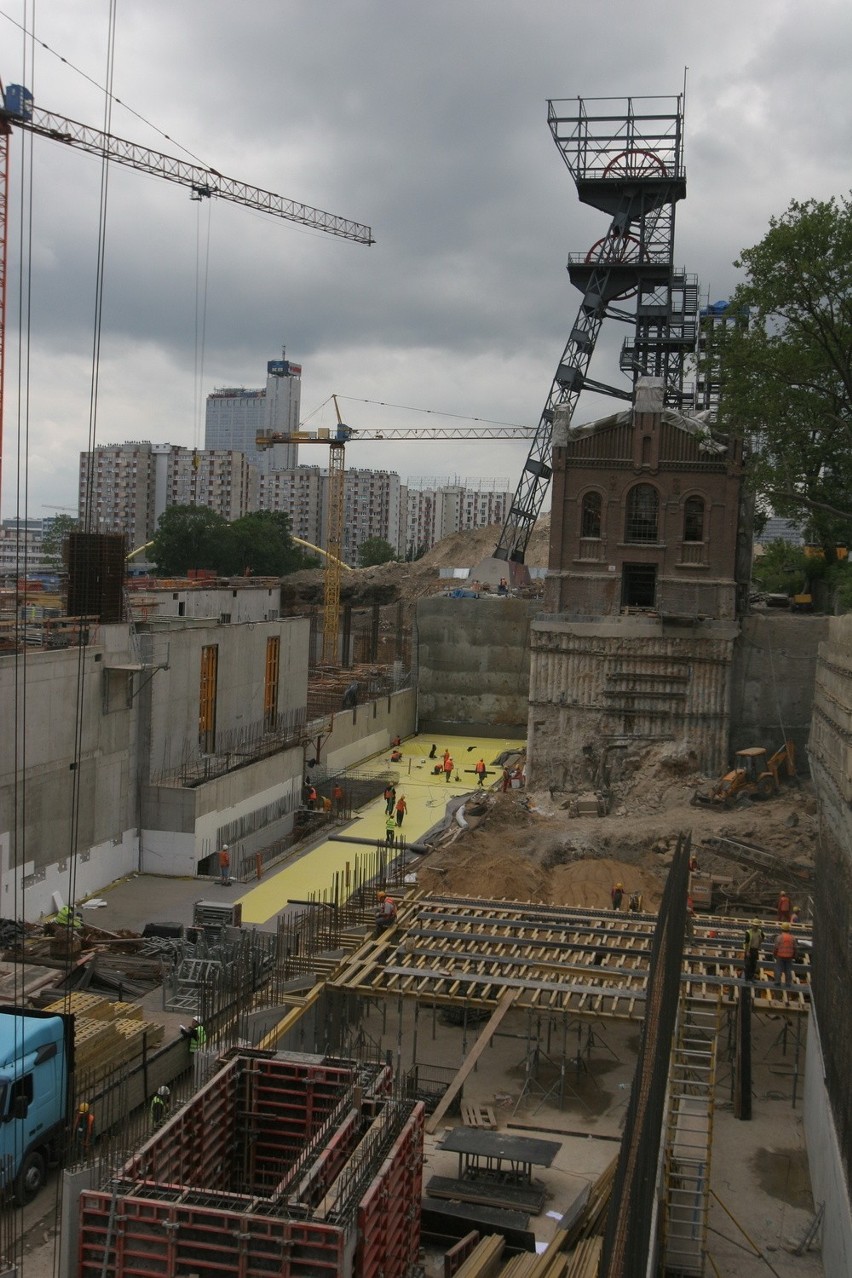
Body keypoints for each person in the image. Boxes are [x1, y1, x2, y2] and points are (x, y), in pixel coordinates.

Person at [773, 922, 797, 987]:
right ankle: (788, 983)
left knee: (778, 969)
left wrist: (774, 954)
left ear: (782, 929)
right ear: (789, 929)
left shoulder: (779, 937)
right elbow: (795, 948)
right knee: (788, 969)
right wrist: (794, 955)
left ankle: (777, 982)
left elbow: (776, 947)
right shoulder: (792, 938)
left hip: (780, 955)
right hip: (789, 956)